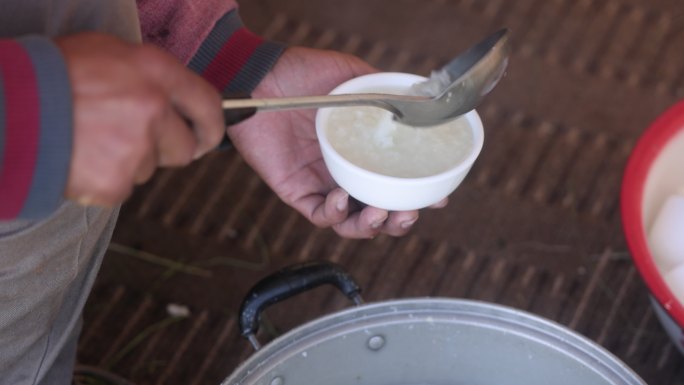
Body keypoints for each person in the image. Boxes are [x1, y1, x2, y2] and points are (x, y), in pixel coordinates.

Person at [0, 0, 446, 383]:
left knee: (38, 352)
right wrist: (23, 112)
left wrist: (215, 54)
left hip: (74, 132)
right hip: (32, 145)